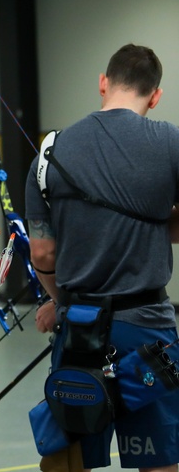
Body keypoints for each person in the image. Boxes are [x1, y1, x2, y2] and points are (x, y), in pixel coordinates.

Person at [26, 44, 179, 472]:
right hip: (149, 331)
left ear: (102, 82)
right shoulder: (171, 142)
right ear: (155, 96)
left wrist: (60, 301)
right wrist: (152, 223)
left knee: (70, 459)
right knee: (161, 461)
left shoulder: (51, 152)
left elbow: (43, 250)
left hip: (79, 331)